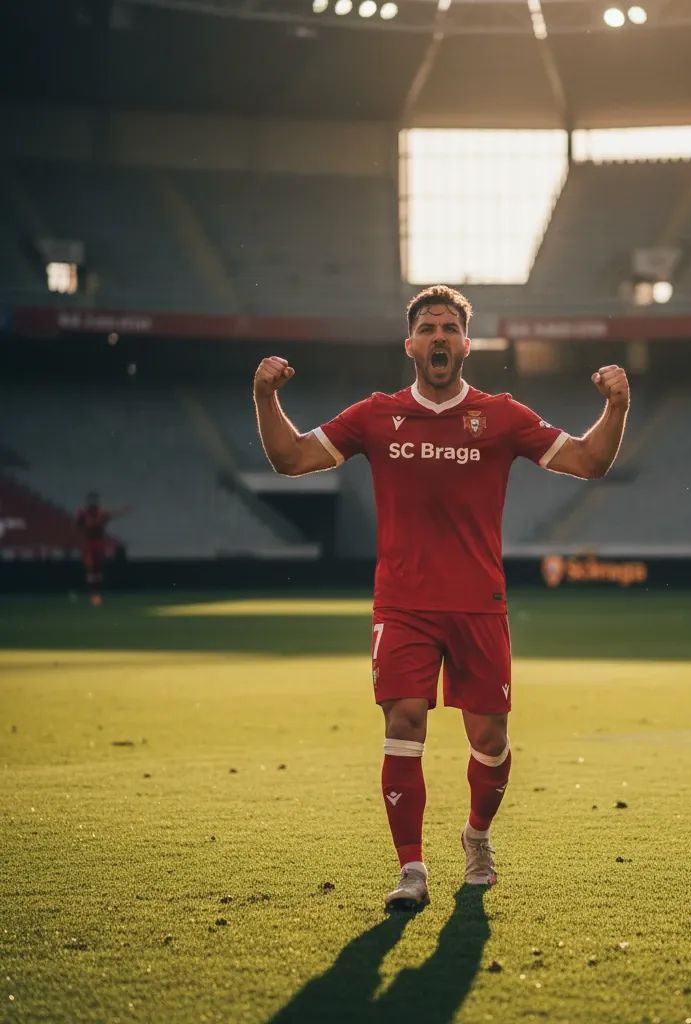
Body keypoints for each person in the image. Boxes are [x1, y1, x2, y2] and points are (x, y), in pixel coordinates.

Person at [253, 285, 629, 912]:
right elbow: (290, 458)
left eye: (449, 328)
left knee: (491, 739)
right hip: (403, 604)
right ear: (410, 345)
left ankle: (476, 837)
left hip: (479, 603)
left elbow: (590, 461)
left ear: (466, 344)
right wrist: (266, 397)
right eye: (427, 328)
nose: (438, 337)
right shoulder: (375, 416)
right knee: (403, 722)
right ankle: (411, 868)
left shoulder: (501, 416)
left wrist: (617, 406)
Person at [75, 492, 127, 607]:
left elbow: (112, 514)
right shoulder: (83, 513)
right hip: (88, 543)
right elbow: (79, 525)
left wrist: (122, 511)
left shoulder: (101, 513)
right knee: (90, 567)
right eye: (91, 500)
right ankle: (93, 593)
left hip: (99, 543)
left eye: (95, 500)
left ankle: (97, 593)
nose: (93, 503)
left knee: (98, 568)